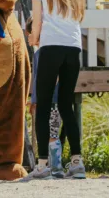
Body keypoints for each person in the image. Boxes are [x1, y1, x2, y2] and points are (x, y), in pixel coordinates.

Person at [25, 0, 86, 180]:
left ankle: (42, 165)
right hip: (73, 49)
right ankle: (77, 162)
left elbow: (37, 20)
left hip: (50, 48)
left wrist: (33, 39)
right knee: (66, 105)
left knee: (43, 107)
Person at [29, 48, 64, 177]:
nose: (29, 38)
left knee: (50, 134)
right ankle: (55, 167)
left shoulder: (42, 53)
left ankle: (55, 168)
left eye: (31, 33)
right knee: (52, 133)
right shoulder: (55, 51)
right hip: (55, 99)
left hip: (49, 100)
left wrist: (36, 100)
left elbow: (40, 78)